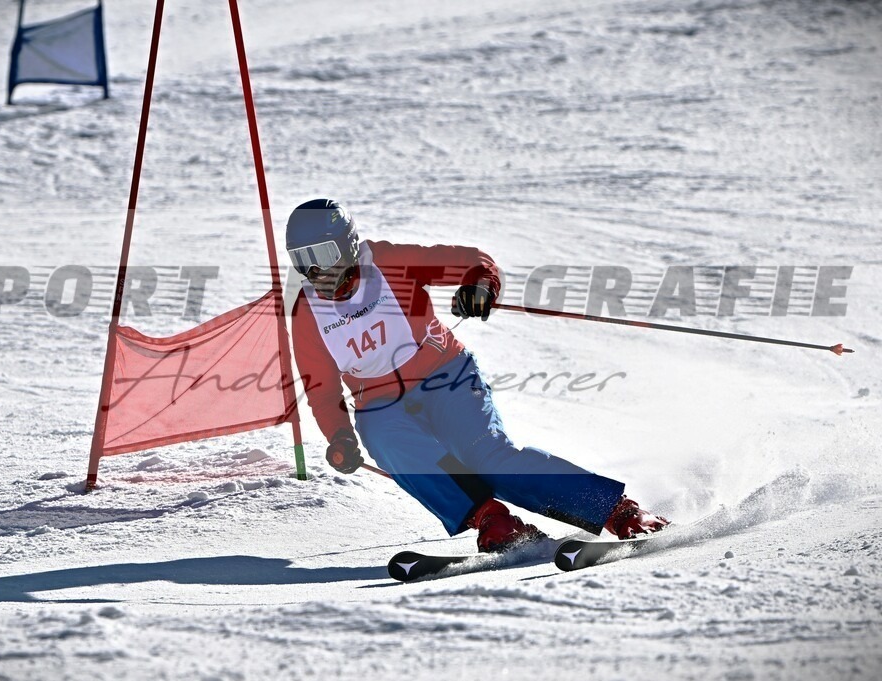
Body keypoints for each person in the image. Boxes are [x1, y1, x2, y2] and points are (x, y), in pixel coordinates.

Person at [287, 198, 669, 552]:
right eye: (302, 260)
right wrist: (339, 437)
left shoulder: (388, 262)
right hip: (381, 403)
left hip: (444, 375)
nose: (316, 270)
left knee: (485, 457)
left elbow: (475, 262)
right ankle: (493, 521)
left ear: (349, 244)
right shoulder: (308, 312)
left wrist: (480, 287)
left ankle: (616, 511)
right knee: (384, 439)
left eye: (323, 254)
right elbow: (321, 389)